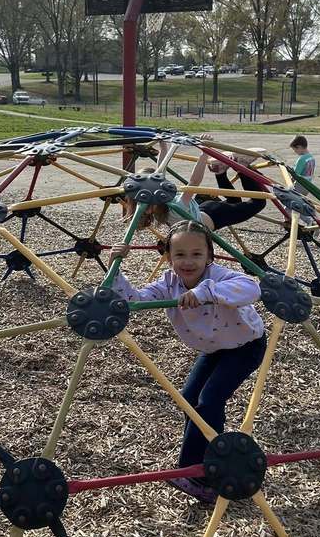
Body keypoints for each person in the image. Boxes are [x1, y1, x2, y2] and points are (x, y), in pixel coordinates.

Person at [110, 220, 267, 503]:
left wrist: (204, 292)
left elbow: (251, 288)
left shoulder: (219, 277)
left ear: (210, 256)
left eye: (196, 254)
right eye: (180, 255)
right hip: (215, 348)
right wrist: (116, 268)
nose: (188, 261)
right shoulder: (168, 284)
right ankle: (200, 462)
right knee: (189, 398)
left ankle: (203, 473)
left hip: (246, 346)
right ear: (169, 258)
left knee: (210, 399)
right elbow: (135, 301)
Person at [120, 142, 266, 233]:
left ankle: (241, 166)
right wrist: (203, 153)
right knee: (235, 201)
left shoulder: (164, 209)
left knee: (259, 202)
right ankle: (220, 173)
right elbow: (165, 171)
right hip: (205, 210)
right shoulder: (167, 202)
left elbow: (192, 182)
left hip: (215, 216)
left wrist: (204, 153)